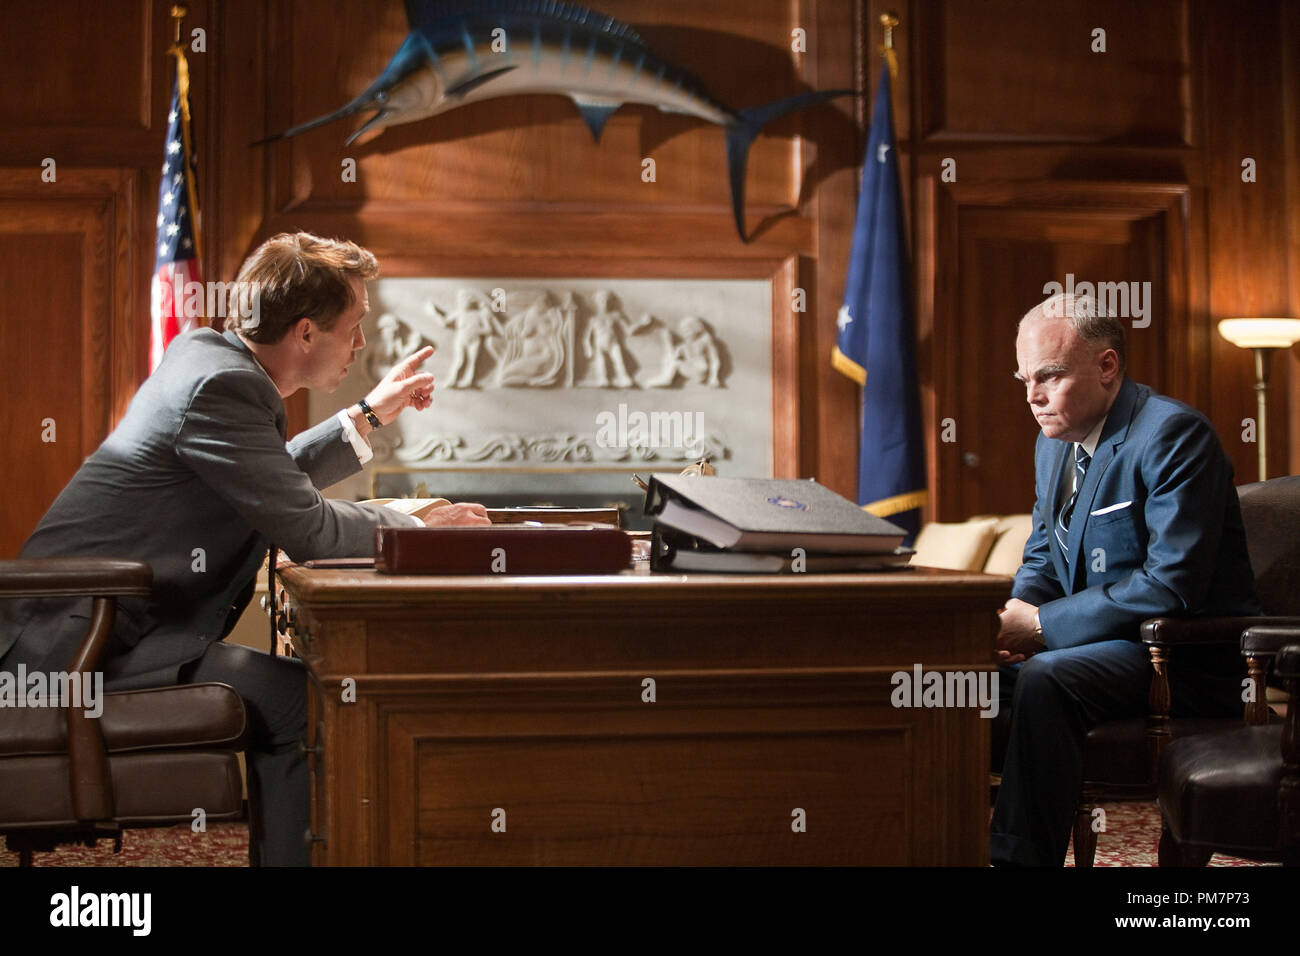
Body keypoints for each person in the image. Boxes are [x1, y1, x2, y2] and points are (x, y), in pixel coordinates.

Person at [0, 232, 490, 866]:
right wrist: (421, 532)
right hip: (76, 647)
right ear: (307, 333)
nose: (363, 344)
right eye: (355, 326)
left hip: (100, 626)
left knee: (299, 692)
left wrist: (366, 414)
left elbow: (266, 479)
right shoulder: (221, 387)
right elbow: (306, 527)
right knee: (303, 702)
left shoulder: (209, 360)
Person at [990, 291, 1259, 866]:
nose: (1033, 397)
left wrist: (1039, 626)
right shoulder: (1052, 444)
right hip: (1097, 649)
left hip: (1180, 660)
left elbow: (1171, 583)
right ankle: (931, 838)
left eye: (1050, 376)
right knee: (951, 672)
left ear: (1107, 366)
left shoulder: (1172, 434)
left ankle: (1015, 860)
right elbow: (1043, 553)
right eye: (1024, 379)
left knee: (1047, 677)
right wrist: (1010, 620)